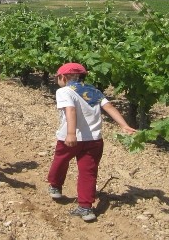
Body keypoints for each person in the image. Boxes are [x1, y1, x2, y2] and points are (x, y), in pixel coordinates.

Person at [46, 62, 136, 222]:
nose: (57, 81)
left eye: (57, 78)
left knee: (60, 161)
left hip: (70, 139)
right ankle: (86, 208)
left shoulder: (64, 91)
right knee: (88, 172)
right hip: (94, 140)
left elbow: (70, 110)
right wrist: (124, 125)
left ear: (64, 77)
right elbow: (109, 107)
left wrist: (71, 133)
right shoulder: (94, 91)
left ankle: (55, 186)